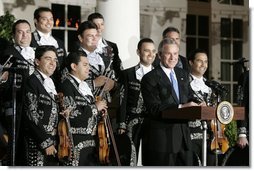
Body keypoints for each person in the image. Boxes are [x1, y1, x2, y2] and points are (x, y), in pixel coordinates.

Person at [141, 38, 200, 166]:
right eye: (168, 53)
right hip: (163, 140)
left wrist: (199, 104)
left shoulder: (183, 74)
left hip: (184, 140)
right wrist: (181, 106)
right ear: (160, 55)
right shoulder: (150, 78)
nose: (173, 57)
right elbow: (154, 108)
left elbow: (189, 96)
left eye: (175, 54)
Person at [58, 51, 107, 166]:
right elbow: (71, 114)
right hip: (76, 141)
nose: (88, 68)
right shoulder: (67, 85)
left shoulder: (83, 86)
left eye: (89, 65)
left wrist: (101, 112)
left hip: (91, 141)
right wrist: (95, 107)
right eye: (85, 65)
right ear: (74, 66)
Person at [0, 19, 35, 165]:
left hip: (37, 109)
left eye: (27, 32)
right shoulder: (7, 55)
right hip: (16, 108)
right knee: (16, 150)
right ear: (13, 35)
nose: (24, 35)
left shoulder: (38, 52)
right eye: (20, 32)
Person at [117, 38, 156, 166]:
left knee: (151, 155)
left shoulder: (159, 75)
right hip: (131, 121)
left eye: (153, 51)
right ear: (138, 52)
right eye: (146, 51)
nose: (150, 54)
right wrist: (122, 123)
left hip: (152, 121)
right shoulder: (127, 74)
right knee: (130, 156)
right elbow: (122, 99)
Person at [23, 45, 59, 166]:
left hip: (53, 140)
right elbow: (31, 114)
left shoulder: (50, 82)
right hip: (37, 142)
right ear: (37, 61)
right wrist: (45, 142)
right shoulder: (32, 81)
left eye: (55, 60)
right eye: (48, 59)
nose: (52, 63)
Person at [187, 48, 216, 166]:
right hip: (191, 134)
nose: (203, 65)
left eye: (206, 61)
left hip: (210, 136)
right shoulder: (183, 83)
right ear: (191, 62)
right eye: (200, 61)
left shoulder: (210, 85)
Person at [30, 7, 67, 90]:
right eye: (45, 19)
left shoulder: (59, 42)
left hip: (57, 86)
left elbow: (64, 66)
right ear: (36, 21)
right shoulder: (29, 40)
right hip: (36, 86)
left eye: (51, 19)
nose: (49, 22)